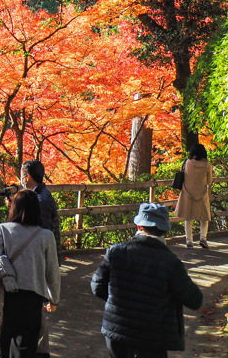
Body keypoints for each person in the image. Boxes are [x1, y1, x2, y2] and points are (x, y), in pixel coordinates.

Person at [91, 202, 202, 358]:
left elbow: (97, 287)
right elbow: (195, 300)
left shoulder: (115, 252)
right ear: (164, 231)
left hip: (117, 331)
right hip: (153, 337)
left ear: (139, 227)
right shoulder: (170, 262)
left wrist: (118, 302)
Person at [0, 189, 61, 358]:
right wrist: (54, 299)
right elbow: (52, 271)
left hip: (7, 296)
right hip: (33, 298)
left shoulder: (3, 230)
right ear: (37, 209)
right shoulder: (46, 236)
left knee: (8, 343)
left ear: (14, 207)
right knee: (28, 345)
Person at [21, 159, 60, 358]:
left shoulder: (40, 200)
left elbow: (40, 235)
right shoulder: (42, 195)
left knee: (37, 312)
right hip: (42, 261)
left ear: (27, 176)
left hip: (39, 264)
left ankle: (38, 351)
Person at [174, 143, 213, 249]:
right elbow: (209, 181)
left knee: (188, 218)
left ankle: (189, 241)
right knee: (204, 218)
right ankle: (203, 238)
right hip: (202, 194)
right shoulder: (207, 165)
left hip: (188, 193)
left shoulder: (188, 163)